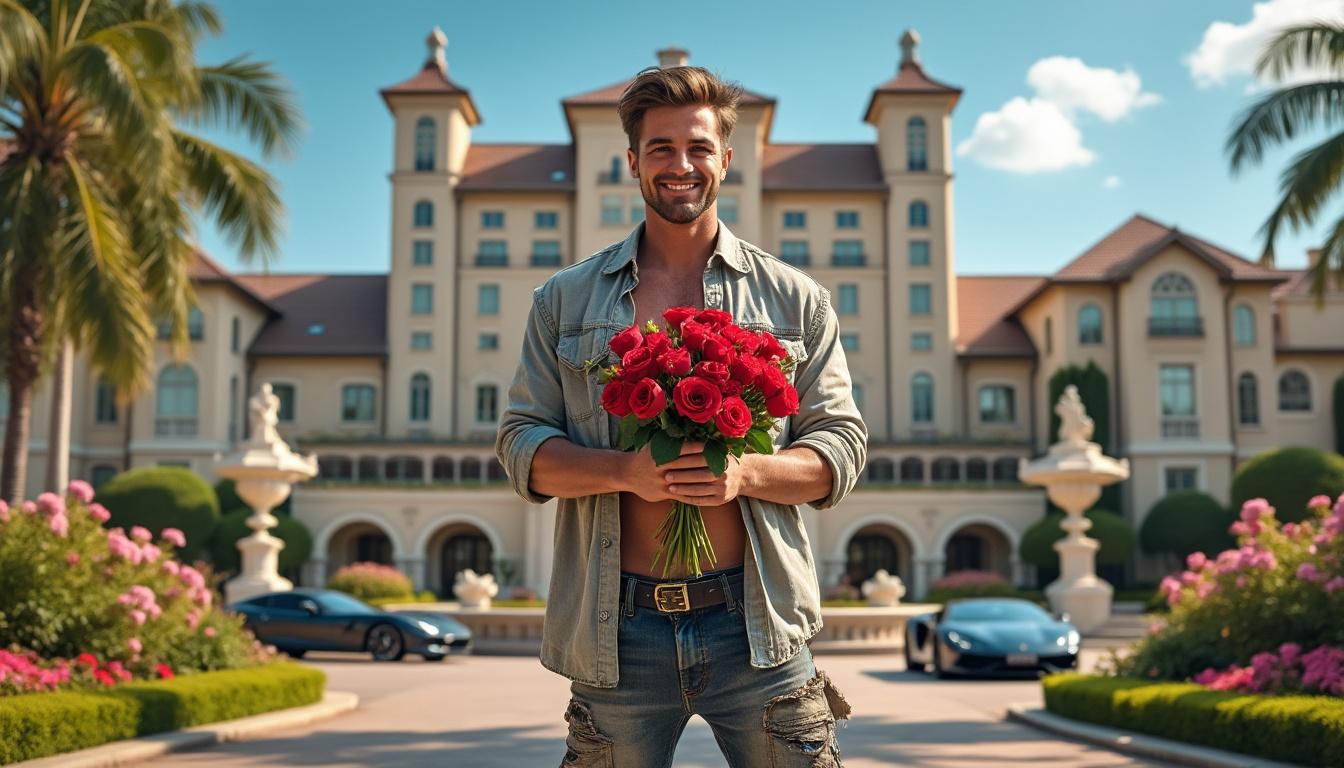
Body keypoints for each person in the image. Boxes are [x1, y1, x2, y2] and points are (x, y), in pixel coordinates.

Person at [496, 64, 867, 768]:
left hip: (757, 626)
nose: (680, 165)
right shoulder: (563, 301)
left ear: (726, 159)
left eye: (698, 147)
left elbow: (842, 447)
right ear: (632, 162)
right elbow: (520, 443)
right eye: (660, 148)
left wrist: (746, 471)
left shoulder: (798, 300)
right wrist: (627, 471)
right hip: (619, 633)